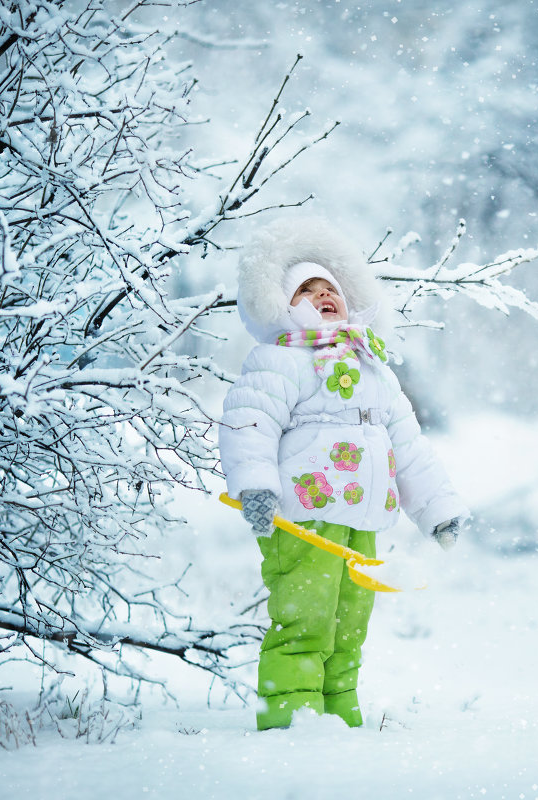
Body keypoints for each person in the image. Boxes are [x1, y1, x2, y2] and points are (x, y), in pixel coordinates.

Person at [219, 217, 469, 731]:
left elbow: (409, 446)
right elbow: (249, 423)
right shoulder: (279, 360)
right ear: (284, 306)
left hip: (363, 521)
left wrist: (437, 509)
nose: (322, 296)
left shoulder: (373, 366)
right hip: (302, 518)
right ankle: (291, 721)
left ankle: (339, 721)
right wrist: (256, 488)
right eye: (306, 290)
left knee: (349, 626)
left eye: (329, 288)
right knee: (305, 620)